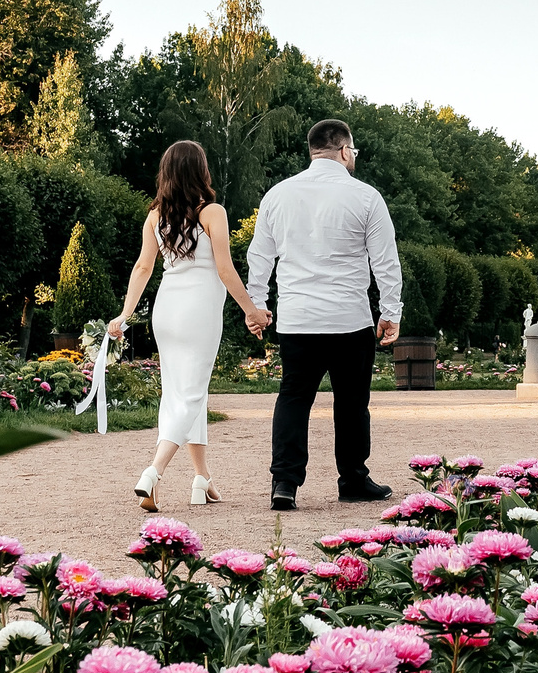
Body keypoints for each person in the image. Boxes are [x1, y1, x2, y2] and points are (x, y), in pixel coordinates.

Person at [245, 118, 401, 511]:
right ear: (345, 150)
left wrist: (257, 304)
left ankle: (285, 483)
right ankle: (352, 479)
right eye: (354, 152)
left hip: (298, 318)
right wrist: (390, 311)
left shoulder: (277, 196)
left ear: (312, 151)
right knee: (351, 403)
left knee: (293, 398)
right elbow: (386, 263)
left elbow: (260, 256)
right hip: (349, 319)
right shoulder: (366, 197)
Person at [111, 141, 266, 511]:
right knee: (191, 394)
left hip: (166, 311)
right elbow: (226, 270)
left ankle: (201, 479)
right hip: (198, 312)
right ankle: (153, 472)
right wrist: (252, 311)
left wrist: (125, 313)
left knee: (182, 394)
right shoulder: (213, 212)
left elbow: (143, 268)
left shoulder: (155, 217)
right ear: (201, 170)